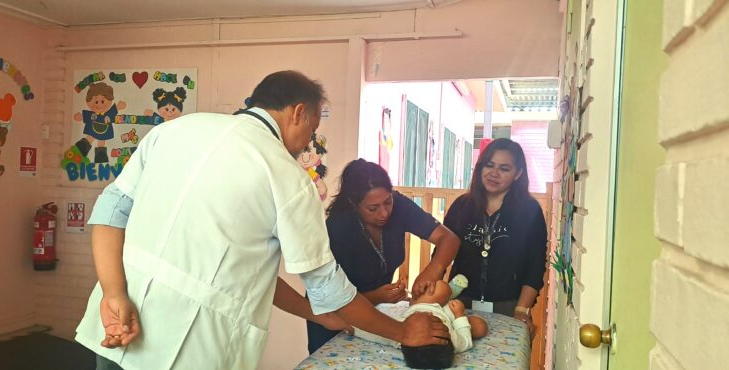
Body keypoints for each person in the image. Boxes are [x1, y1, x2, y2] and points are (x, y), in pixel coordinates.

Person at [75, 71, 450, 370]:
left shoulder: (174, 130)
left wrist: (113, 292)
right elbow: (328, 289)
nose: (307, 142)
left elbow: (111, 210)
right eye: (312, 130)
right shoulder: (285, 175)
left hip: (118, 321)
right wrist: (403, 332)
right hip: (189, 345)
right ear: (298, 112)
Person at [306, 159, 462, 352]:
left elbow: (449, 239)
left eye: (388, 202)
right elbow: (331, 300)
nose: (384, 213)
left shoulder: (399, 206)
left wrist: (432, 271)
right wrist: (375, 297)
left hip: (380, 314)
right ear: (353, 204)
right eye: (373, 208)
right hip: (334, 321)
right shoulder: (339, 228)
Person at [442, 138, 547, 335]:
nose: (494, 173)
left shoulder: (529, 211)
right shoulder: (462, 206)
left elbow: (535, 264)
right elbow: (441, 253)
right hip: (459, 303)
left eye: (504, 168)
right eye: (489, 165)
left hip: (509, 306)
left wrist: (522, 309)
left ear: (518, 174)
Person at [352, 280, 487, 369]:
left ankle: (423, 298)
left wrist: (350, 328)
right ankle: (448, 299)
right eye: (438, 326)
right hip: (447, 315)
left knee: (442, 288)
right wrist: (459, 315)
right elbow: (466, 340)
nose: (430, 317)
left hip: (423, 305)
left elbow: (372, 331)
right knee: (480, 327)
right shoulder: (453, 341)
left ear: (406, 341)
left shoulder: (397, 336)